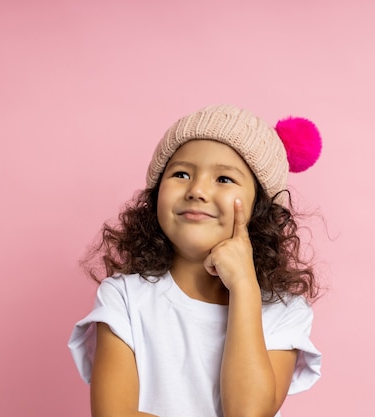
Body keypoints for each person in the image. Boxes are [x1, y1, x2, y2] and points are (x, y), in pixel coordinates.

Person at [68, 104, 323, 417]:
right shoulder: (123, 298)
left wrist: (244, 287)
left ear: (260, 208)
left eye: (224, 179)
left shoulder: (282, 311)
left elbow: (249, 413)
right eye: (181, 174)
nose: (198, 190)